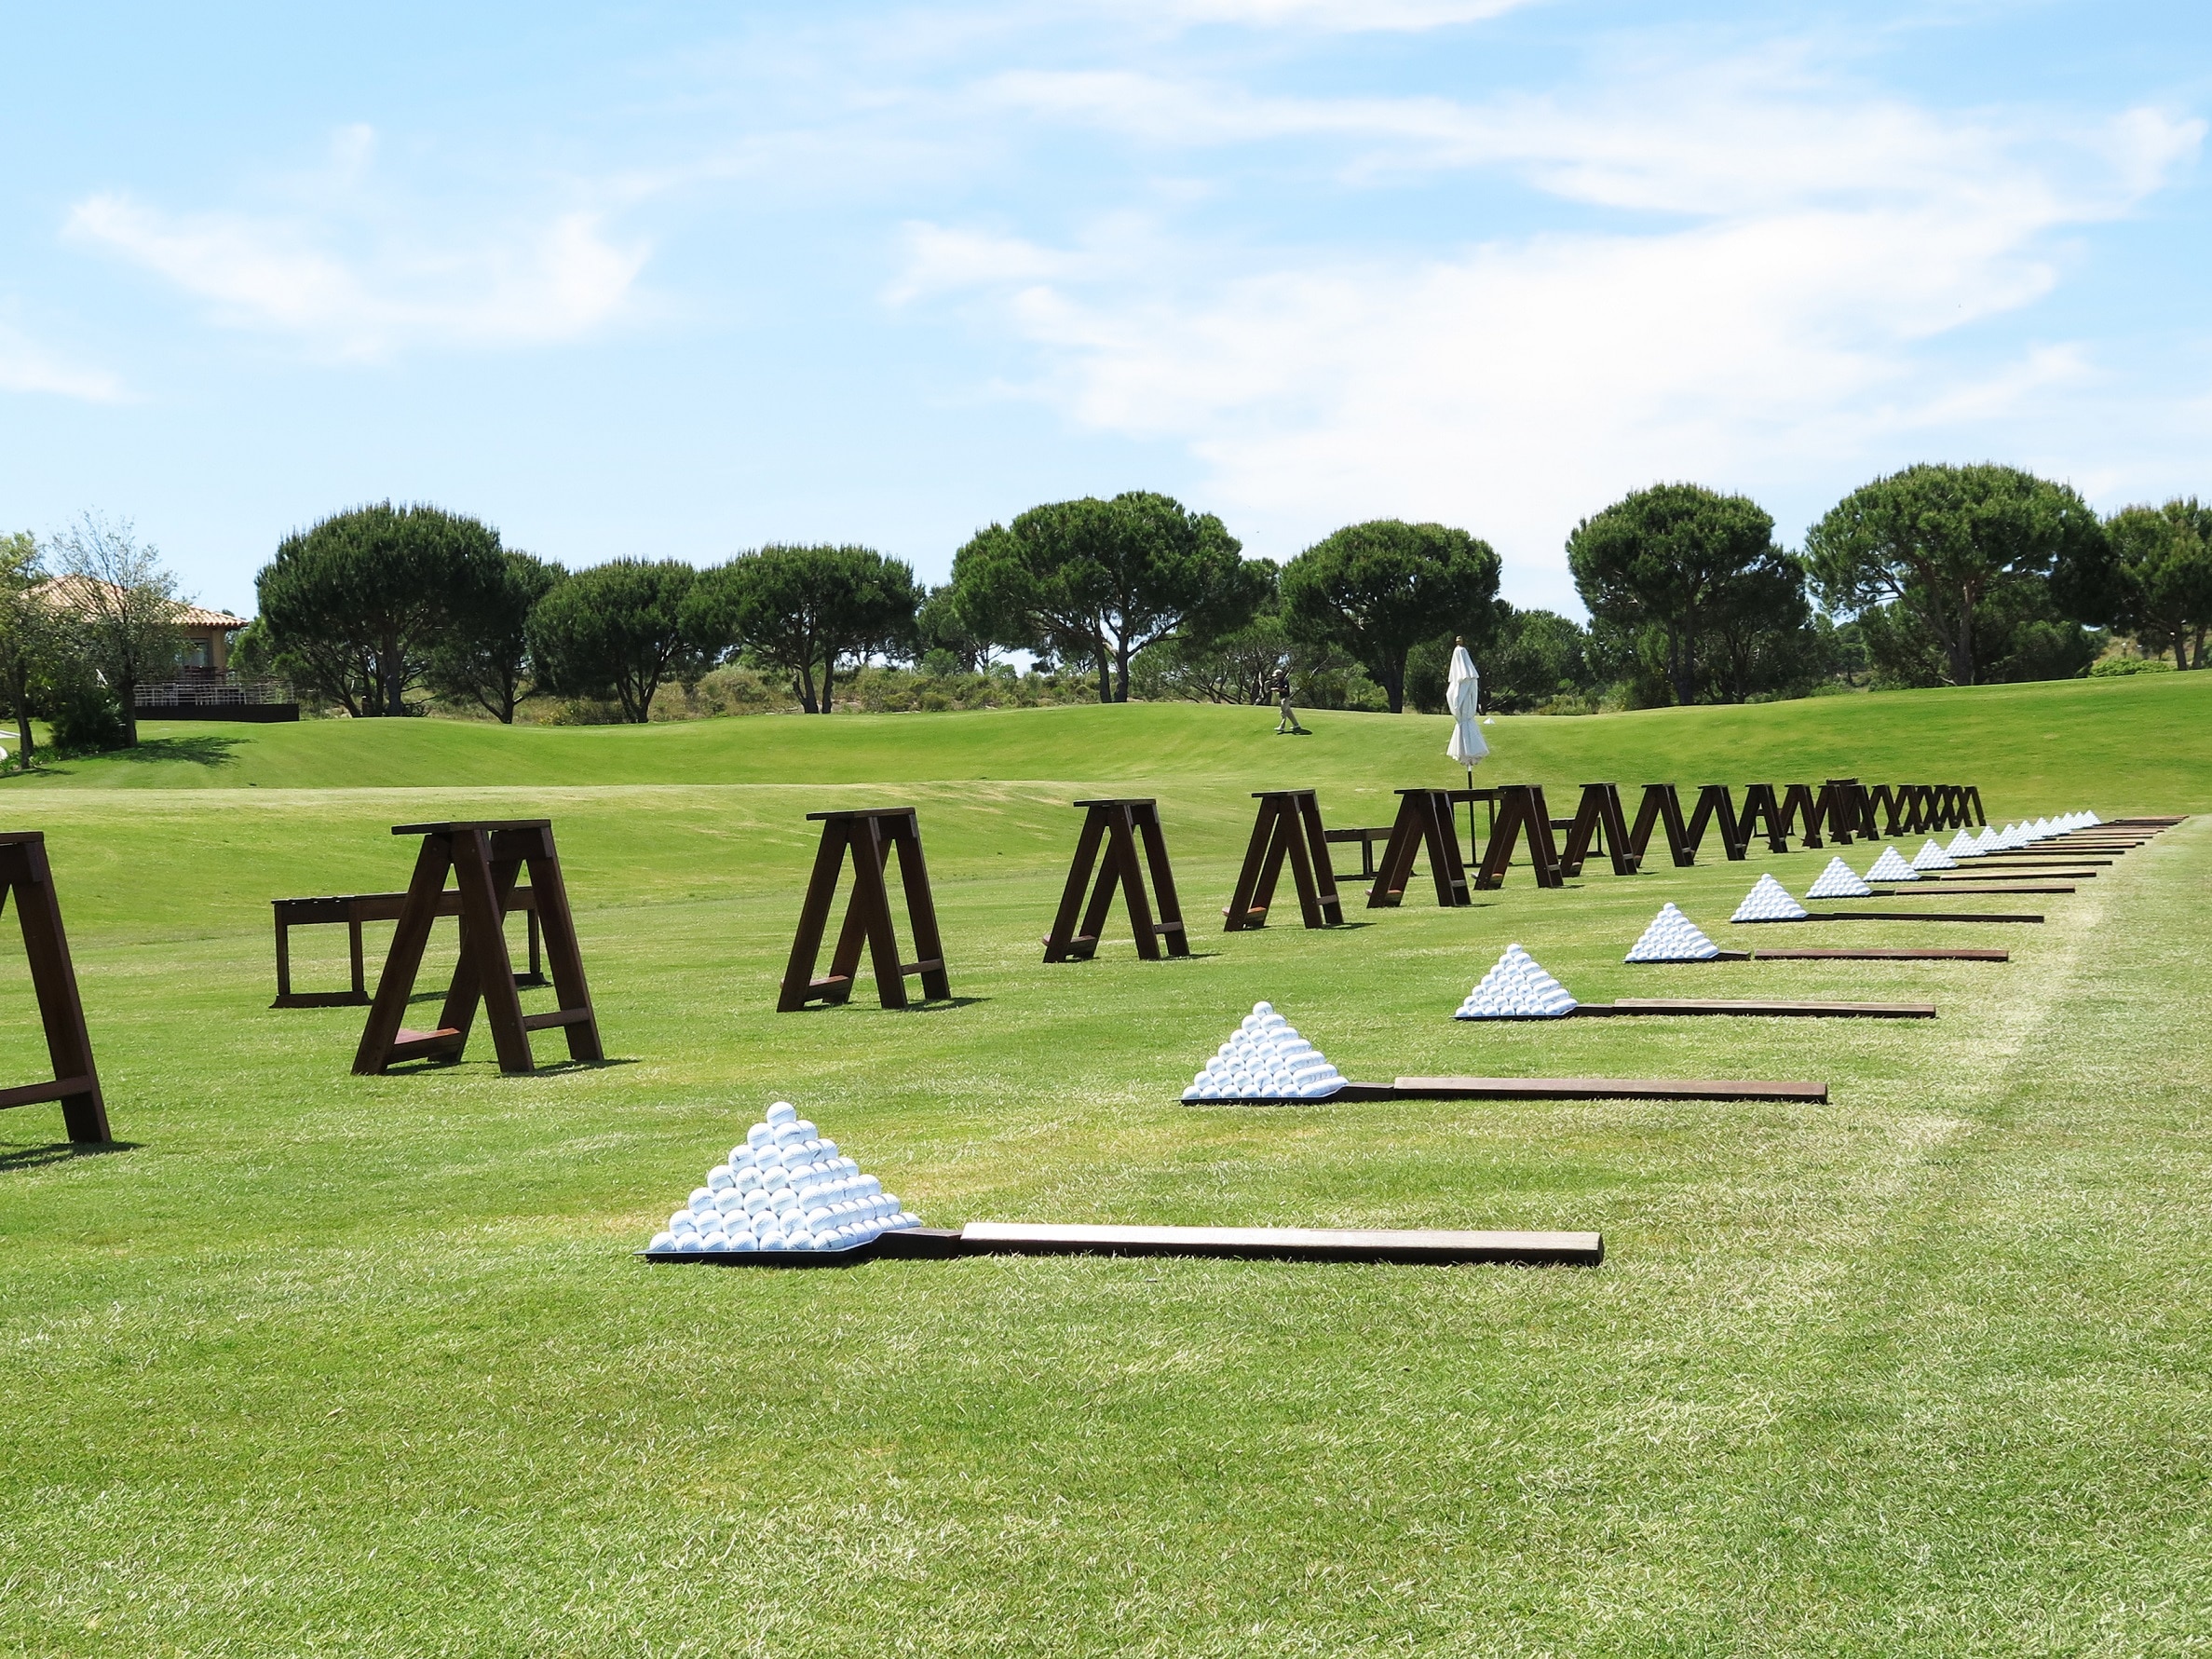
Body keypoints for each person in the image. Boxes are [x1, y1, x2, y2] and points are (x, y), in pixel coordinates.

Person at [1269, 667, 1307, 735]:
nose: (1276, 678)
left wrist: (1277, 689)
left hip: (1285, 698)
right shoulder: (1279, 681)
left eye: (1276, 676)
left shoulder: (1284, 681)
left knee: (1283, 712)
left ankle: (1282, 727)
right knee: (1289, 713)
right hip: (1282, 698)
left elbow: (1285, 690)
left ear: (1280, 675)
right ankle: (1296, 725)